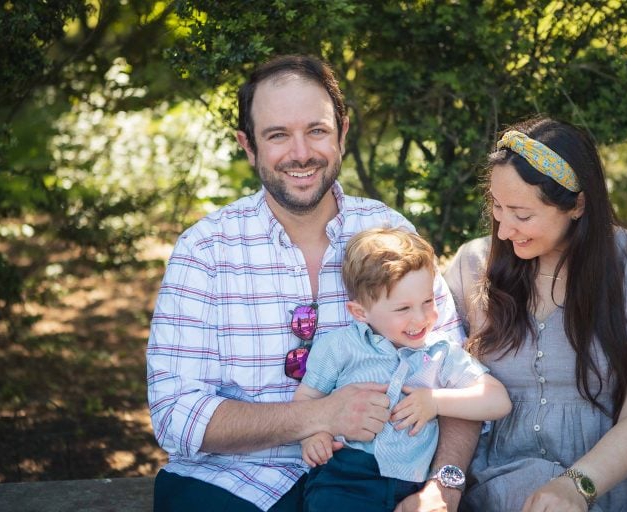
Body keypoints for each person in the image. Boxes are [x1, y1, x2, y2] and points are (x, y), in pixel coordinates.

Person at [146, 54, 481, 512]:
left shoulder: (389, 231)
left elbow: (455, 375)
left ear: (342, 132)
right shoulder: (205, 251)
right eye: (278, 135)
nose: (301, 153)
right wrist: (320, 414)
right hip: (232, 481)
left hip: (377, 477)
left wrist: (445, 486)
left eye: (316, 130)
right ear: (248, 146)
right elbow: (175, 417)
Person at [445, 116, 627, 511]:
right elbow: (442, 385)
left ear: (578, 205)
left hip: (618, 484)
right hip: (498, 487)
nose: (503, 230)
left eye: (522, 214)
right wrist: (445, 483)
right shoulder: (471, 265)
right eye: (496, 207)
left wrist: (575, 485)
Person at [293, 227, 511, 511]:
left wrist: (435, 401)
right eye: (403, 309)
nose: (421, 318)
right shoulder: (339, 347)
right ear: (360, 312)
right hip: (346, 476)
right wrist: (315, 435)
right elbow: (307, 400)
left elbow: (498, 401)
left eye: (428, 302)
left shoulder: (440, 352)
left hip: (415, 482)